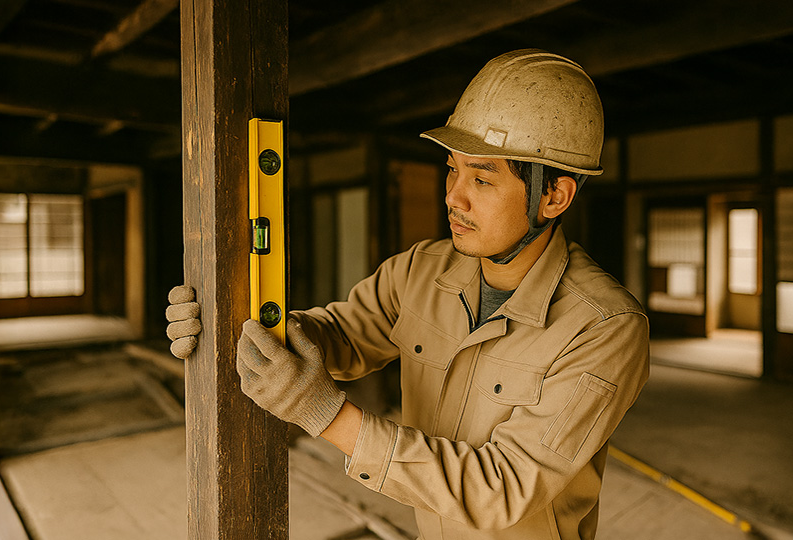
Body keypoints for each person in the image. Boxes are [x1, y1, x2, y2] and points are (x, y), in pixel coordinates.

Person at [167, 49, 650, 540]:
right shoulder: (422, 268)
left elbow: (502, 487)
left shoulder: (606, 328)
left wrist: (326, 414)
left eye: (482, 179)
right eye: (452, 169)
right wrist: (234, 322)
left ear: (554, 196)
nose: (453, 197)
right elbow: (337, 336)